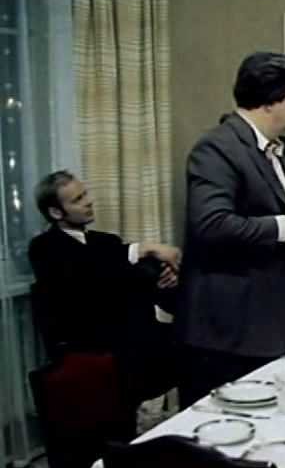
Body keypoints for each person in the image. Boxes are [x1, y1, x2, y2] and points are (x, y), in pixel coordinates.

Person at [175, 52, 285, 408]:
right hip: (227, 332)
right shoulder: (217, 147)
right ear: (271, 99)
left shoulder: (271, 150)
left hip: (264, 323)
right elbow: (211, 224)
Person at [29, 170, 182, 405]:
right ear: (56, 212)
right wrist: (143, 248)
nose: (89, 201)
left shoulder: (106, 242)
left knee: (200, 344)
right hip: (98, 351)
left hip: (141, 343)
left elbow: (141, 285)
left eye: (85, 194)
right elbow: (90, 277)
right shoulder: (44, 248)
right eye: (78, 199)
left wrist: (168, 280)